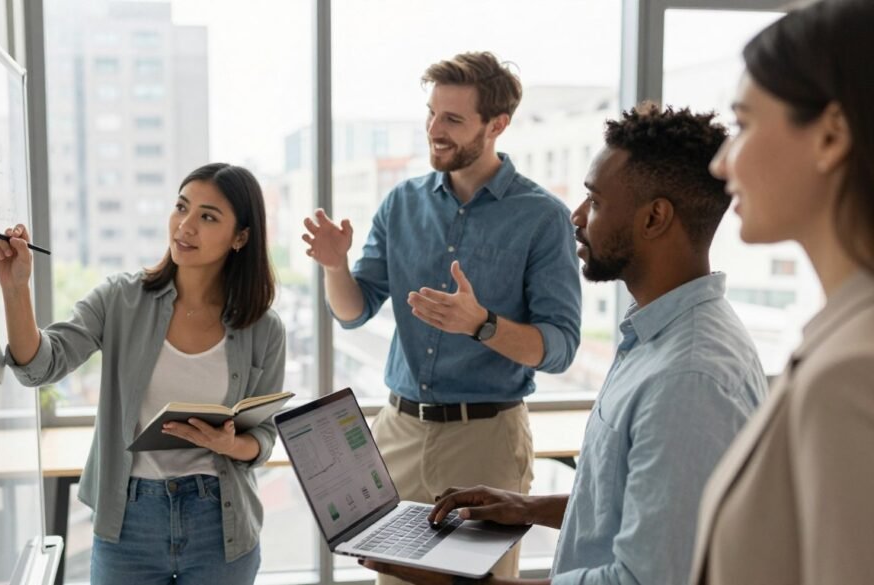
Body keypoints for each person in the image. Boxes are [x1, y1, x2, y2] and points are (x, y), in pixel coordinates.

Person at [363, 105, 768, 585]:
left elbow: (646, 579)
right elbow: (641, 507)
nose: (575, 217)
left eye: (594, 202)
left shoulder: (689, 379)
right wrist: (526, 507)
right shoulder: (658, 338)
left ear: (655, 217)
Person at [302, 51, 582, 581]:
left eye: (452, 119)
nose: (434, 129)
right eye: (431, 114)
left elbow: (560, 347)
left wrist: (482, 324)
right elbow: (354, 312)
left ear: (497, 125)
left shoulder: (542, 218)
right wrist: (335, 267)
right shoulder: (400, 203)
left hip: (485, 440)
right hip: (398, 432)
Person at [0, 163, 286, 585]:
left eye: (207, 216)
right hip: (129, 521)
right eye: (181, 207)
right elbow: (40, 367)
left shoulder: (264, 327)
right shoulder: (120, 299)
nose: (185, 226)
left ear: (241, 237)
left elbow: (264, 437)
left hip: (220, 524)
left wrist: (230, 444)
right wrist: (15, 289)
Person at [689, 1, 874, 583]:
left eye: (742, 125)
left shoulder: (851, 372)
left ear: (831, 134)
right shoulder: (843, 339)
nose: (721, 164)